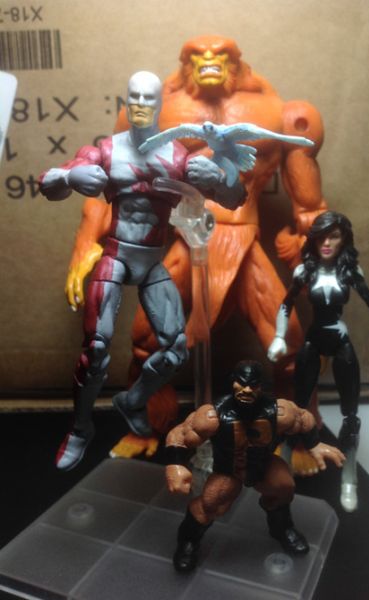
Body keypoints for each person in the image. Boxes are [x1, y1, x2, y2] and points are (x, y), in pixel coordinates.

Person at [63, 36, 328, 466]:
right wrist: (85, 244)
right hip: (186, 239)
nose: (209, 61)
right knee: (144, 340)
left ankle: (298, 437)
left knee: (290, 343)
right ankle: (148, 427)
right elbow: (110, 183)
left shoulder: (280, 112)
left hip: (242, 237)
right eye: (198, 56)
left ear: (236, 63)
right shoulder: (158, 110)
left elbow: (310, 206)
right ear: (185, 64)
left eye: (219, 55)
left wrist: (315, 252)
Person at [39, 71, 246, 470]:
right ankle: (80, 428)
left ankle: (132, 400)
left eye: (148, 98)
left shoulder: (178, 157)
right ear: (126, 99)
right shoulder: (108, 150)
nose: (139, 104)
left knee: (176, 349)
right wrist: (69, 175)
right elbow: (48, 182)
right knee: (95, 350)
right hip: (116, 255)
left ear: (158, 105)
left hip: (152, 261)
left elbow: (235, 199)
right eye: (133, 96)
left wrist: (220, 179)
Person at [268, 211, 369, 512]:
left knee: (350, 414)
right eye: (322, 236)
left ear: (344, 238)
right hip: (313, 340)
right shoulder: (304, 271)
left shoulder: (350, 271)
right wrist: (279, 337)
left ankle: (348, 478)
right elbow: (286, 303)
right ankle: (283, 466)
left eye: (334, 236)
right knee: (297, 408)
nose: (327, 243)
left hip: (340, 339)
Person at [165, 360, 345, 572]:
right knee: (210, 504)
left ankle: (281, 528)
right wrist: (175, 465)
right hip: (229, 470)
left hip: (264, 463)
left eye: (253, 385)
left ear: (261, 386)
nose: (247, 390)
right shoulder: (213, 416)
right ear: (233, 383)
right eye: (241, 384)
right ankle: (187, 542)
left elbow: (303, 418)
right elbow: (180, 434)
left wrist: (314, 444)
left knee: (284, 486)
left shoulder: (278, 412)